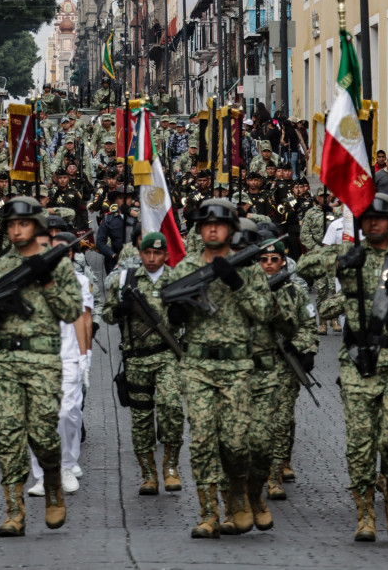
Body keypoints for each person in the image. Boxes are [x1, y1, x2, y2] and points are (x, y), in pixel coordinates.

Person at [296, 193, 388, 542]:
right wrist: (340, 257)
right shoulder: (350, 256)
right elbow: (302, 268)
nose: (374, 223)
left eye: (381, 218)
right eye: (368, 219)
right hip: (358, 362)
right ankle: (364, 513)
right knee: (360, 444)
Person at [164, 199, 274, 538]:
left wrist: (237, 283)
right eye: (206, 224)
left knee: (237, 443)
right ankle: (208, 512)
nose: (212, 229)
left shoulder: (248, 268)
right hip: (197, 364)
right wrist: (177, 313)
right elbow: (169, 313)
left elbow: (266, 312)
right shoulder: (185, 269)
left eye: (220, 224)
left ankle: (238, 495)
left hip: (237, 366)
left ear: (231, 230)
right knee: (202, 441)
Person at [0, 197, 82, 537]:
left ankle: (52, 482)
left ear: (37, 226)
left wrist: (48, 281)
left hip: (42, 362)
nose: (15, 230)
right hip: (5, 362)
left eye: (21, 224)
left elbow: (71, 311)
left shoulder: (57, 264)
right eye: (10, 225)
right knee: (8, 439)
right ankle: (14, 510)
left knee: (42, 436)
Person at [102, 231, 185, 496]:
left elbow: (194, 315)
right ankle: (148, 474)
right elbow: (106, 314)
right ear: (139, 254)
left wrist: (181, 312)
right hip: (136, 358)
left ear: (166, 255)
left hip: (166, 355)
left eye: (157, 253)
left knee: (171, 406)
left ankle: (171, 466)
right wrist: (119, 310)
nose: (151, 258)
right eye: (147, 253)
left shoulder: (176, 279)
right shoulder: (125, 280)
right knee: (141, 419)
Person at [27, 232, 93, 496]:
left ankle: (66, 464)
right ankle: (42, 475)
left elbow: (83, 319)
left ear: (70, 255)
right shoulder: (34, 281)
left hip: (68, 357)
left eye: (63, 252)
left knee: (67, 414)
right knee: (39, 419)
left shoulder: (80, 281)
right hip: (40, 358)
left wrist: (84, 356)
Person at [257, 233, 318, 501]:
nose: (269, 264)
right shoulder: (247, 291)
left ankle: (275, 477)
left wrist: (303, 348)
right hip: (256, 366)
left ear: (283, 262)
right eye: (264, 259)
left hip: (284, 366)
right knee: (259, 424)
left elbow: (308, 326)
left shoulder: (296, 292)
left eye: (275, 259)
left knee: (281, 421)